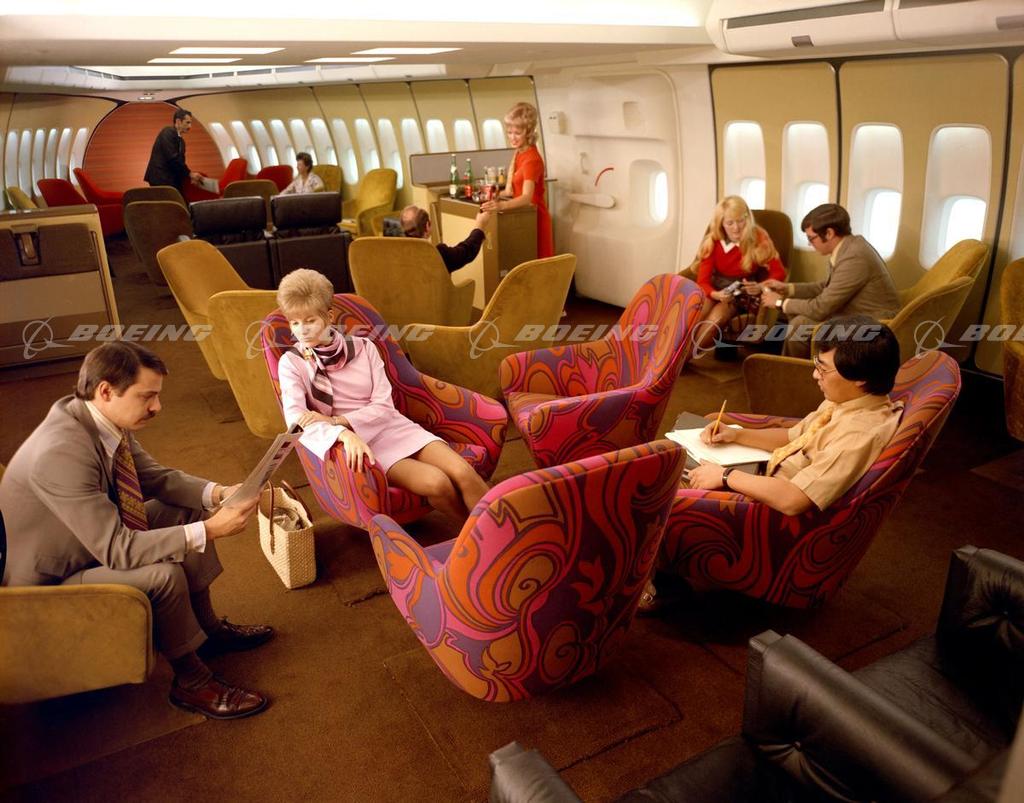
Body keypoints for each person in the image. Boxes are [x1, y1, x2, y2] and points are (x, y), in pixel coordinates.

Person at [0, 342, 271, 719]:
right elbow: (118, 550)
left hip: (88, 540)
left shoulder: (96, 417)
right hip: (51, 582)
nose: (157, 407)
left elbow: (155, 478)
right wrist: (210, 530)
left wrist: (221, 494)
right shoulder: (60, 451)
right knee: (163, 575)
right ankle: (191, 682)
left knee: (189, 510)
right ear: (106, 390)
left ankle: (207, 632)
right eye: (147, 396)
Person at [642, 315, 903, 612]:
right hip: (767, 476)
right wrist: (736, 435)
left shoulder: (858, 434)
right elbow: (794, 437)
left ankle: (655, 588)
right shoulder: (846, 401)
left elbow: (794, 500)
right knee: (665, 465)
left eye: (822, 368)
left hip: (773, 512)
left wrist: (725, 477)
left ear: (860, 378)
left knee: (655, 493)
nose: (815, 375)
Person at [275, 269, 491, 521]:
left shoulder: (364, 348)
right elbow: (297, 421)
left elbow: (384, 406)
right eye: (295, 323)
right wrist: (343, 434)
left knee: (464, 473)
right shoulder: (292, 362)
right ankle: (475, 534)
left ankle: (502, 532)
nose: (302, 331)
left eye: (310, 320)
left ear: (329, 316)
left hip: (392, 426)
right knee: (437, 483)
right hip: (364, 443)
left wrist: (336, 421)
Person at [761, 203, 900, 358]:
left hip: (874, 324)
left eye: (811, 238)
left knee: (799, 326)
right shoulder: (848, 247)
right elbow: (826, 286)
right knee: (798, 318)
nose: (809, 244)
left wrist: (780, 302)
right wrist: (788, 288)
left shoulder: (854, 258)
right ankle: (805, 366)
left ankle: (792, 370)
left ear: (829, 233)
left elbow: (820, 308)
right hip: (857, 315)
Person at [688, 195, 786, 353]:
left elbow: (779, 272)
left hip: (740, 294)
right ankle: (673, 356)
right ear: (721, 224)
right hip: (714, 290)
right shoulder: (713, 241)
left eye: (741, 221)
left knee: (715, 320)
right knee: (694, 315)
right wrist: (716, 294)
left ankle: (684, 358)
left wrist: (760, 286)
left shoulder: (758, 236)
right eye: (730, 223)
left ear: (747, 219)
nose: (736, 228)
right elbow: (702, 282)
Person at [481, 101, 553, 259]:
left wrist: (501, 205)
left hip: (535, 218)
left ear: (528, 132)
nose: (512, 138)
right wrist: (493, 195)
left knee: (536, 263)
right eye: (509, 132)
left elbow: (527, 197)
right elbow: (511, 191)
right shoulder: (519, 153)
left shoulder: (532, 159)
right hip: (524, 215)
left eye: (517, 133)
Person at [400, 204, 492, 272]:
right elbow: (467, 251)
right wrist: (480, 225)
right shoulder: (439, 254)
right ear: (427, 226)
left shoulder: (396, 254)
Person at [144, 107, 203, 191]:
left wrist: (189, 176)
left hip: (170, 179)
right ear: (178, 121)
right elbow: (173, 159)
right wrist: (189, 174)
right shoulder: (167, 132)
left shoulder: (181, 141)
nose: (190, 126)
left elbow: (180, 163)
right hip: (161, 179)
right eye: (187, 122)